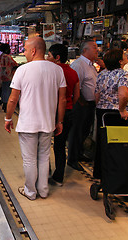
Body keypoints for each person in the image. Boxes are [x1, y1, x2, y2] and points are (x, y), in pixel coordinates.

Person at [4, 37, 66, 200]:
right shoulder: (57, 70)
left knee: (30, 159)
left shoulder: (23, 70)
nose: (24, 53)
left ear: (33, 50)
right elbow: (62, 99)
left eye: (25, 50)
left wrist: (8, 118)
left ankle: (30, 192)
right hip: (48, 123)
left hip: (28, 124)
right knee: (44, 157)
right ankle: (43, 190)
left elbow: (13, 98)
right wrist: (59, 121)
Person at [94, 48, 128, 179]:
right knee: (118, 147)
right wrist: (122, 110)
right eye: (124, 55)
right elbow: (123, 94)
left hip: (102, 112)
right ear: (119, 61)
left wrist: (99, 107)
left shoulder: (102, 74)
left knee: (103, 145)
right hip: (116, 115)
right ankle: (116, 178)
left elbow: (96, 95)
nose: (126, 56)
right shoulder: (123, 74)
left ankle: (100, 174)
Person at [47, 44, 80, 186]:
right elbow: (76, 95)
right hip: (68, 113)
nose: (47, 58)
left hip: (51, 112)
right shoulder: (73, 73)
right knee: (60, 146)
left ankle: (44, 174)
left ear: (57, 57)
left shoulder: (52, 72)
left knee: (44, 144)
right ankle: (59, 177)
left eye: (49, 56)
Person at [68, 39, 99, 171]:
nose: (97, 50)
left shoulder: (91, 65)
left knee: (84, 131)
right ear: (85, 50)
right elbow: (76, 86)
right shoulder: (79, 64)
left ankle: (80, 154)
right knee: (77, 131)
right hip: (81, 104)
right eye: (94, 47)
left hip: (89, 104)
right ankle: (72, 159)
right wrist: (81, 101)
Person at [0, 43, 18, 112]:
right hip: (8, 75)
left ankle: (3, 102)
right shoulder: (8, 57)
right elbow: (15, 64)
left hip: (3, 75)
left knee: (4, 89)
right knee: (7, 91)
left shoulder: (1, 56)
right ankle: (6, 106)